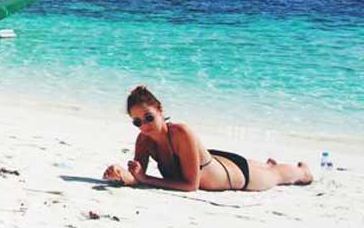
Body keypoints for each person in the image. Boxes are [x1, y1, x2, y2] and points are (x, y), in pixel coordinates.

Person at [103, 85, 313, 191]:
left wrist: (146, 179)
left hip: (239, 176)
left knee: (279, 175)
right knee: (267, 167)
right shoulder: (144, 141)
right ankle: (268, 164)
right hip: (216, 161)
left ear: (160, 110)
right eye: (137, 122)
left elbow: (190, 185)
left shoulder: (181, 131)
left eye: (148, 117)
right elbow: (137, 177)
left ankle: (301, 169)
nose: (144, 125)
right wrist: (120, 173)